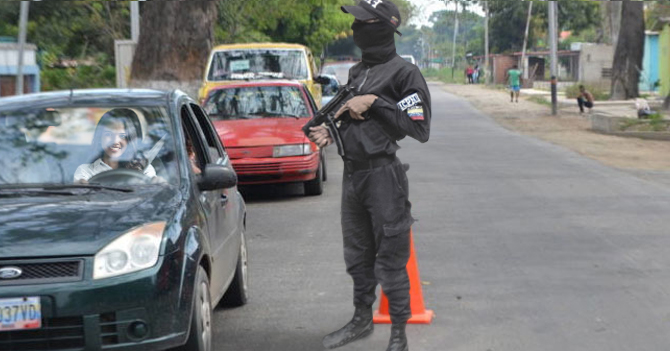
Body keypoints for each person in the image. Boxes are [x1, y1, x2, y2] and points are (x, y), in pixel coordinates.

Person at [308, 1, 431, 350]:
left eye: (364, 24)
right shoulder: (358, 72)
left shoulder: (404, 74)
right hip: (353, 176)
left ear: (384, 28)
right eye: (356, 24)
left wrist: (374, 102)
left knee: (391, 258)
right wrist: (331, 131)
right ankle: (361, 320)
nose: (356, 30)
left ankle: (398, 336)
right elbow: (351, 118)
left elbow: (418, 128)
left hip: (383, 176)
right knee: (358, 255)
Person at [74, 108, 157, 183]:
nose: (115, 141)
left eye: (122, 136)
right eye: (109, 134)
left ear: (131, 140)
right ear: (99, 137)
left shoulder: (144, 170)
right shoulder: (85, 171)